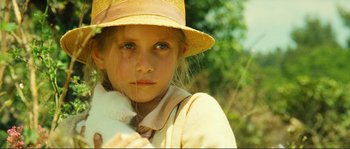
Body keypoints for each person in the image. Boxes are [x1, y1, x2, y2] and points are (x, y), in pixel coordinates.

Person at [49, 0, 237, 148]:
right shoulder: (70, 132)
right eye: (128, 46)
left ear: (179, 53)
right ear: (99, 53)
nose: (145, 66)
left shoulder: (195, 116)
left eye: (161, 46)